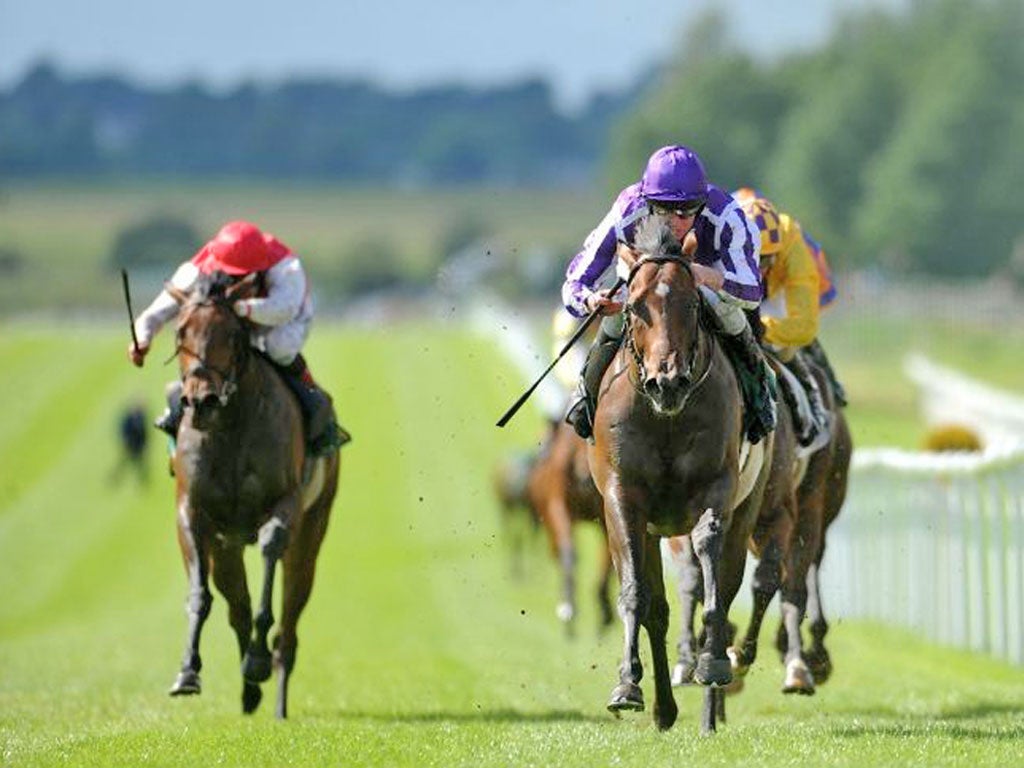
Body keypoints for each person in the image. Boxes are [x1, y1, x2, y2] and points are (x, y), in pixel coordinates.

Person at [562, 145, 776, 444]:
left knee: (729, 312)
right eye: (663, 210)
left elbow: (753, 291)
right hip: (642, 270)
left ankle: (758, 390)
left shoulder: (728, 216)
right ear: (647, 201)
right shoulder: (627, 210)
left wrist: (707, 275)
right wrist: (591, 300)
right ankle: (585, 394)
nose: (675, 221)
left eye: (687, 211)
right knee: (616, 315)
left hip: (707, 272)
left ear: (702, 204)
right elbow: (574, 282)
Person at [126, 220, 350, 457]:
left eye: (241, 276)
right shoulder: (197, 268)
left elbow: (284, 308)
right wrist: (143, 338)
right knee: (205, 340)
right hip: (231, 319)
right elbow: (155, 313)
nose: (233, 281)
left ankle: (313, 399)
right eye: (228, 274)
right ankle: (178, 408)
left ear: (260, 268)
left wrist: (242, 308)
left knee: (278, 349)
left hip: (286, 317)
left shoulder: (287, 268)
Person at [733, 188, 847, 449]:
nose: (759, 269)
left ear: (776, 253)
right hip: (731, 273)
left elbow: (803, 325)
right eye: (753, 260)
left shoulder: (793, 249)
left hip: (783, 286)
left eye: (764, 261)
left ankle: (813, 402)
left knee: (783, 342)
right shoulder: (721, 230)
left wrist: (760, 329)